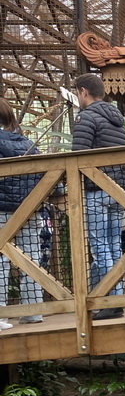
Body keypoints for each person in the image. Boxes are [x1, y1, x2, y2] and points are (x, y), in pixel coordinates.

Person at [72, 73, 125, 320]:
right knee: (114, 245)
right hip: (118, 190)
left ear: (84, 91)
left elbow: (77, 156)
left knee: (100, 247)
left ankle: (111, 300)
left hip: (96, 189)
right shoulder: (118, 120)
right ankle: (116, 297)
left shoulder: (86, 117)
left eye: (77, 93)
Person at [0, 100, 44, 328]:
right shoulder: (27, 143)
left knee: (1, 261)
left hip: (2, 209)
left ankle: (0, 316)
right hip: (29, 208)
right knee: (31, 257)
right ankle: (34, 312)